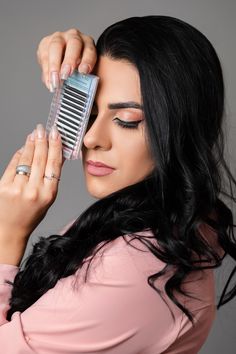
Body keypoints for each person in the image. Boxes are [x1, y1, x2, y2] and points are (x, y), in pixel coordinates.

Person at [0, 15, 235, 354]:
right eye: (91, 114)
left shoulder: (137, 268)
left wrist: (8, 233)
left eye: (127, 121)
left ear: (179, 131)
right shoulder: (145, 226)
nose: (91, 138)